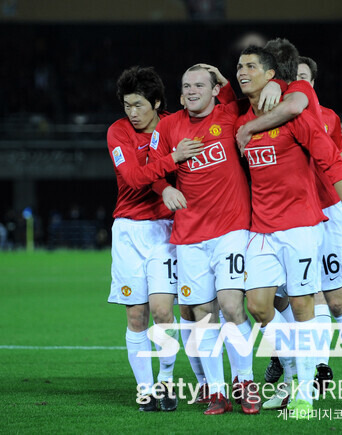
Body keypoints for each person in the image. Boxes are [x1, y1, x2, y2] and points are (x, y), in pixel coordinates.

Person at [236, 41, 342, 414]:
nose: (242, 72)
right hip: (262, 228)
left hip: (311, 220)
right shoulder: (242, 120)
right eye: (239, 66)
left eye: (251, 66)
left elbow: (332, 161)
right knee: (260, 306)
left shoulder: (302, 110)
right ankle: (300, 370)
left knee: (330, 301)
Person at [148, 65, 260, 415]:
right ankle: (216, 391)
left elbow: (252, 93)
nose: (192, 90)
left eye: (200, 84)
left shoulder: (230, 114)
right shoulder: (168, 126)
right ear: (180, 94)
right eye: (186, 86)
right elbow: (153, 169)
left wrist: (227, 82)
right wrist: (165, 187)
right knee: (200, 315)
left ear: (215, 91)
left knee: (230, 305)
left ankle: (245, 380)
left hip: (230, 228)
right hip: (189, 235)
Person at [106, 65, 203, 413]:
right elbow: (132, 179)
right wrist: (172, 159)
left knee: (163, 312)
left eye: (139, 105)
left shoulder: (173, 125)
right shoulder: (117, 132)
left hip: (164, 231)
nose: (132, 113)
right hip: (129, 231)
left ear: (157, 102)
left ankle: (165, 380)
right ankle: (145, 389)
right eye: (127, 105)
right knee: (137, 317)